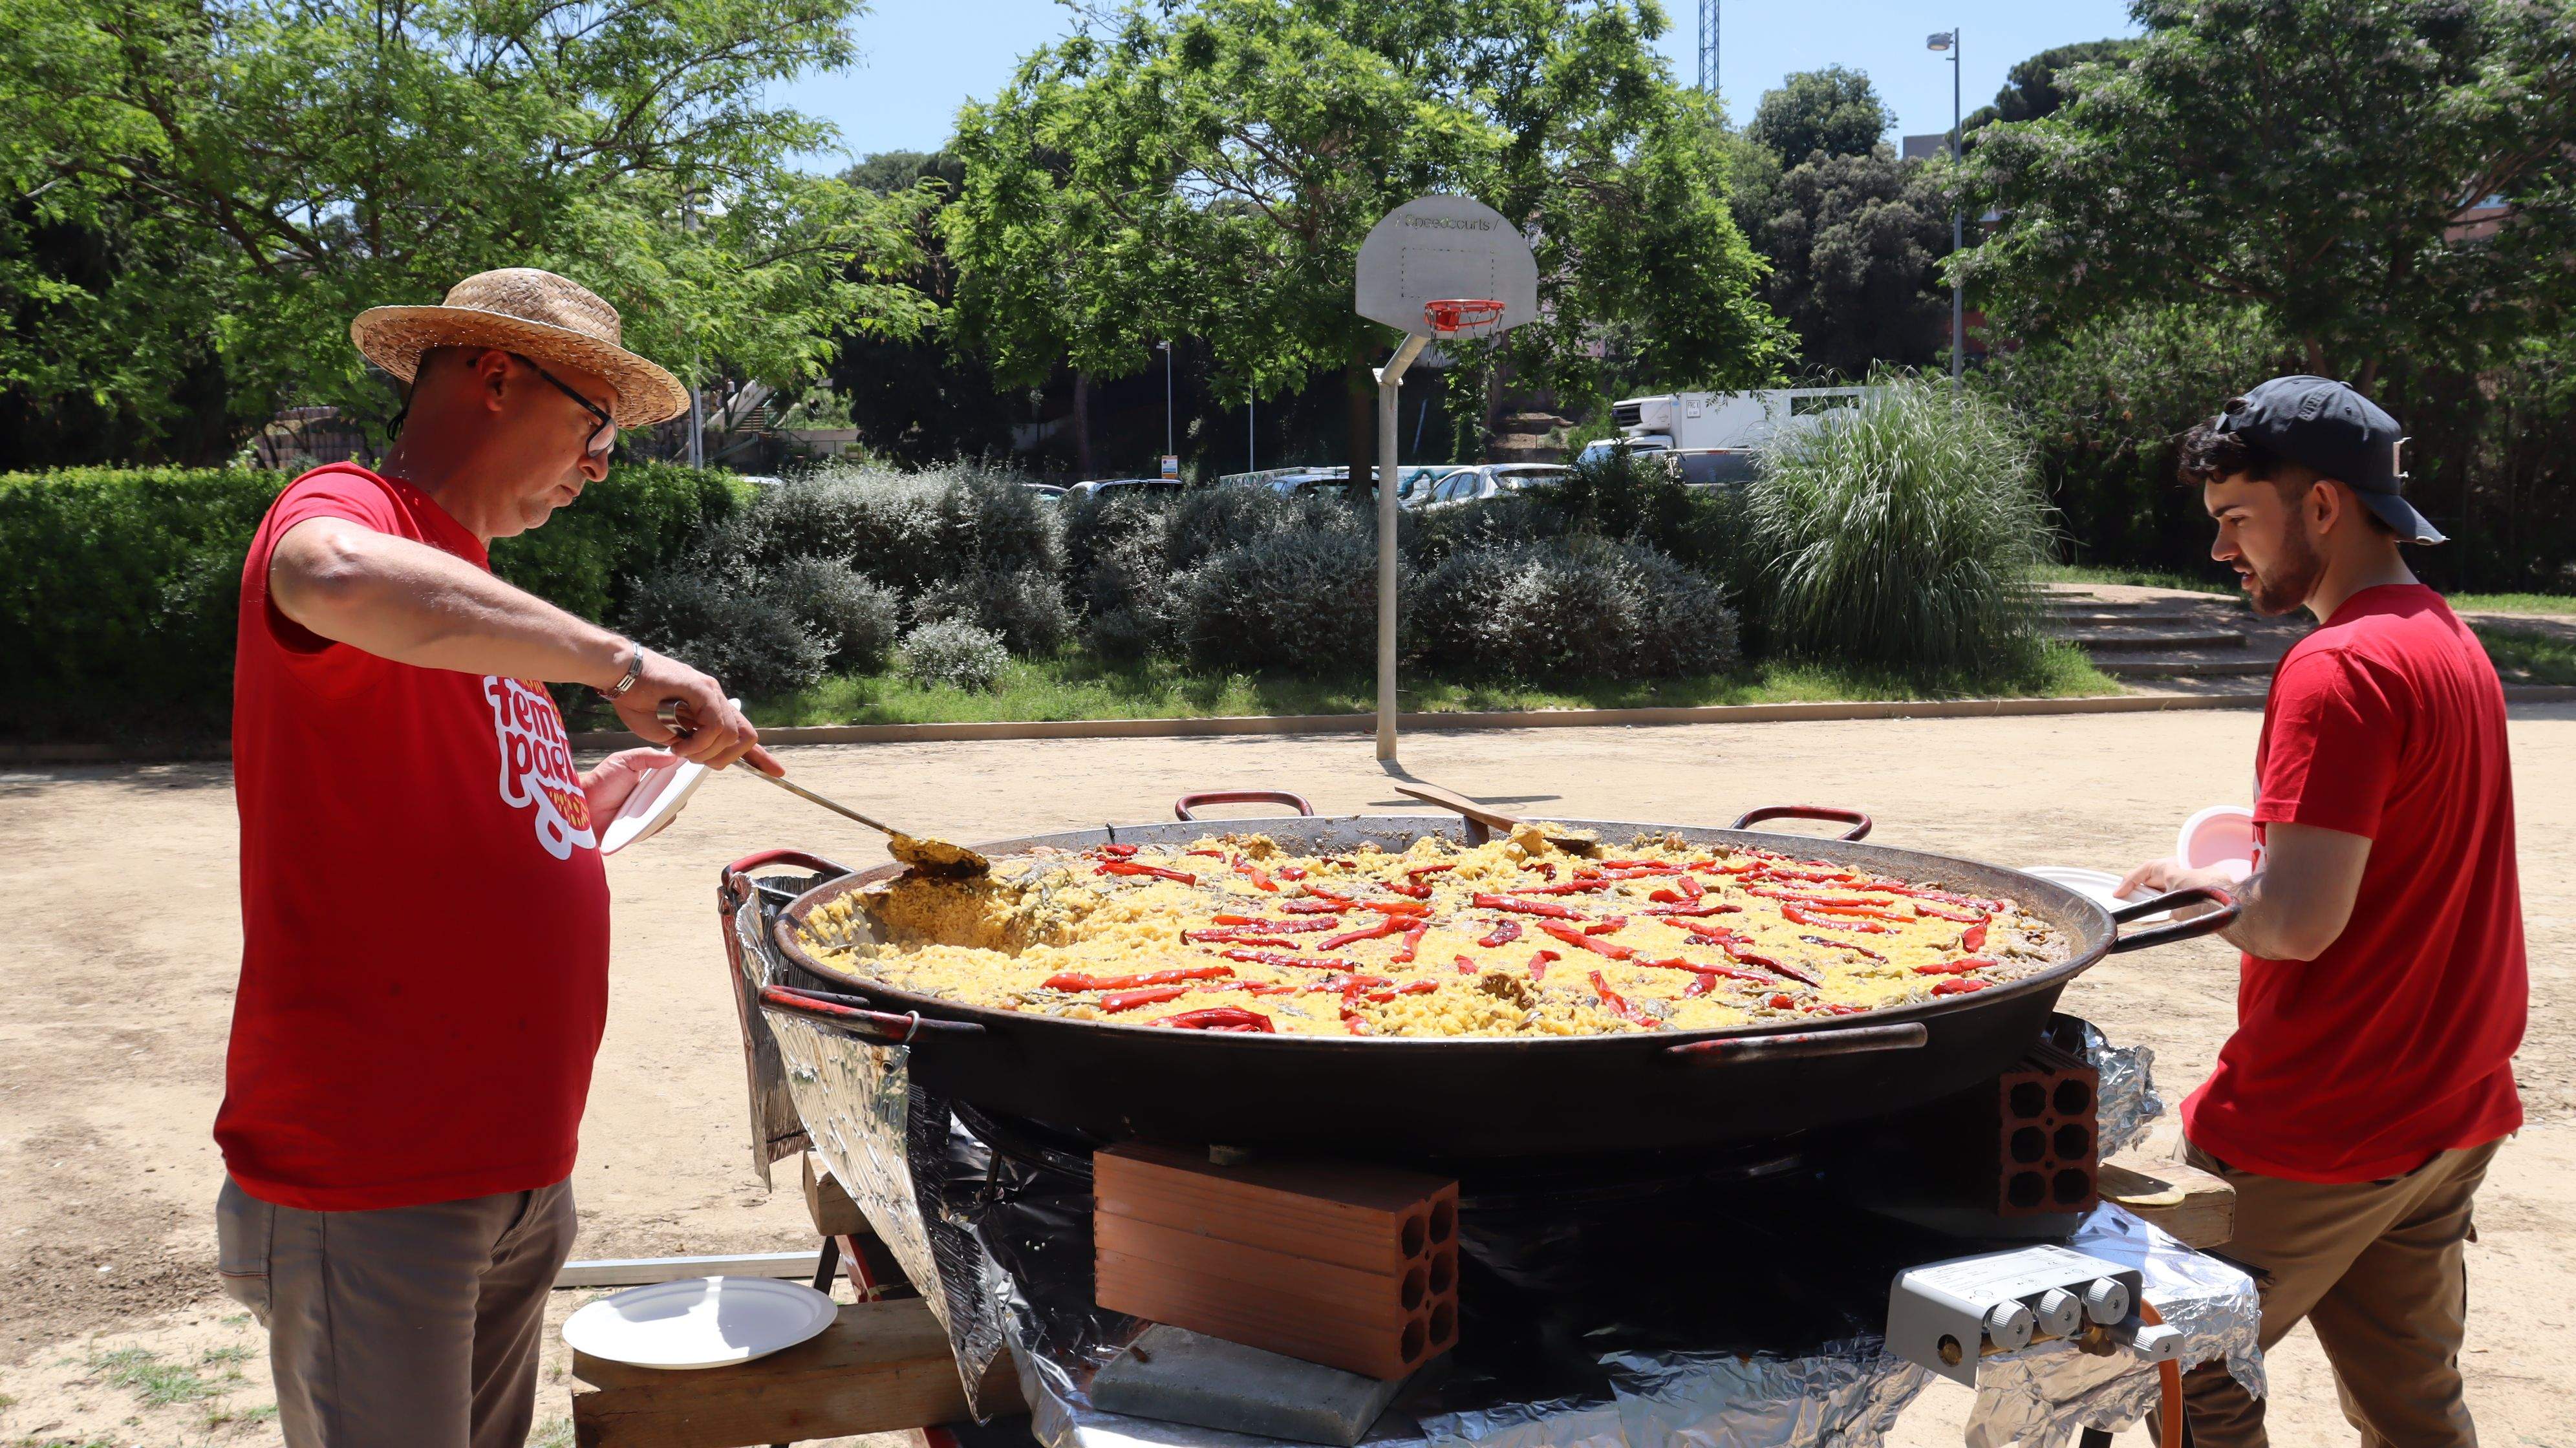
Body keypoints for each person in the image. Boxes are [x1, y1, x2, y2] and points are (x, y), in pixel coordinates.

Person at [215, 267, 780, 1448]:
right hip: (378, 1167)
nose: (602, 464)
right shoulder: (349, 509)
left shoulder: (477, 601)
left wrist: (577, 803)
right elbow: (326, 577)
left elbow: (438, 809)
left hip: (510, 1167)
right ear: (495, 377)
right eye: (595, 426)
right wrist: (623, 666)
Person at [2119, 376, 2526, 1448]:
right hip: (2449, 1109)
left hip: (2328, 1119)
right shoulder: (2444, 637)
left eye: (2236, 519)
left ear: (2326, 508)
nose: (2222, 553)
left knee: (2168, 1370)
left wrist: (2204, 895)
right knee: (2413, 1407)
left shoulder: (2337, 667)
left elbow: (2297, 923)